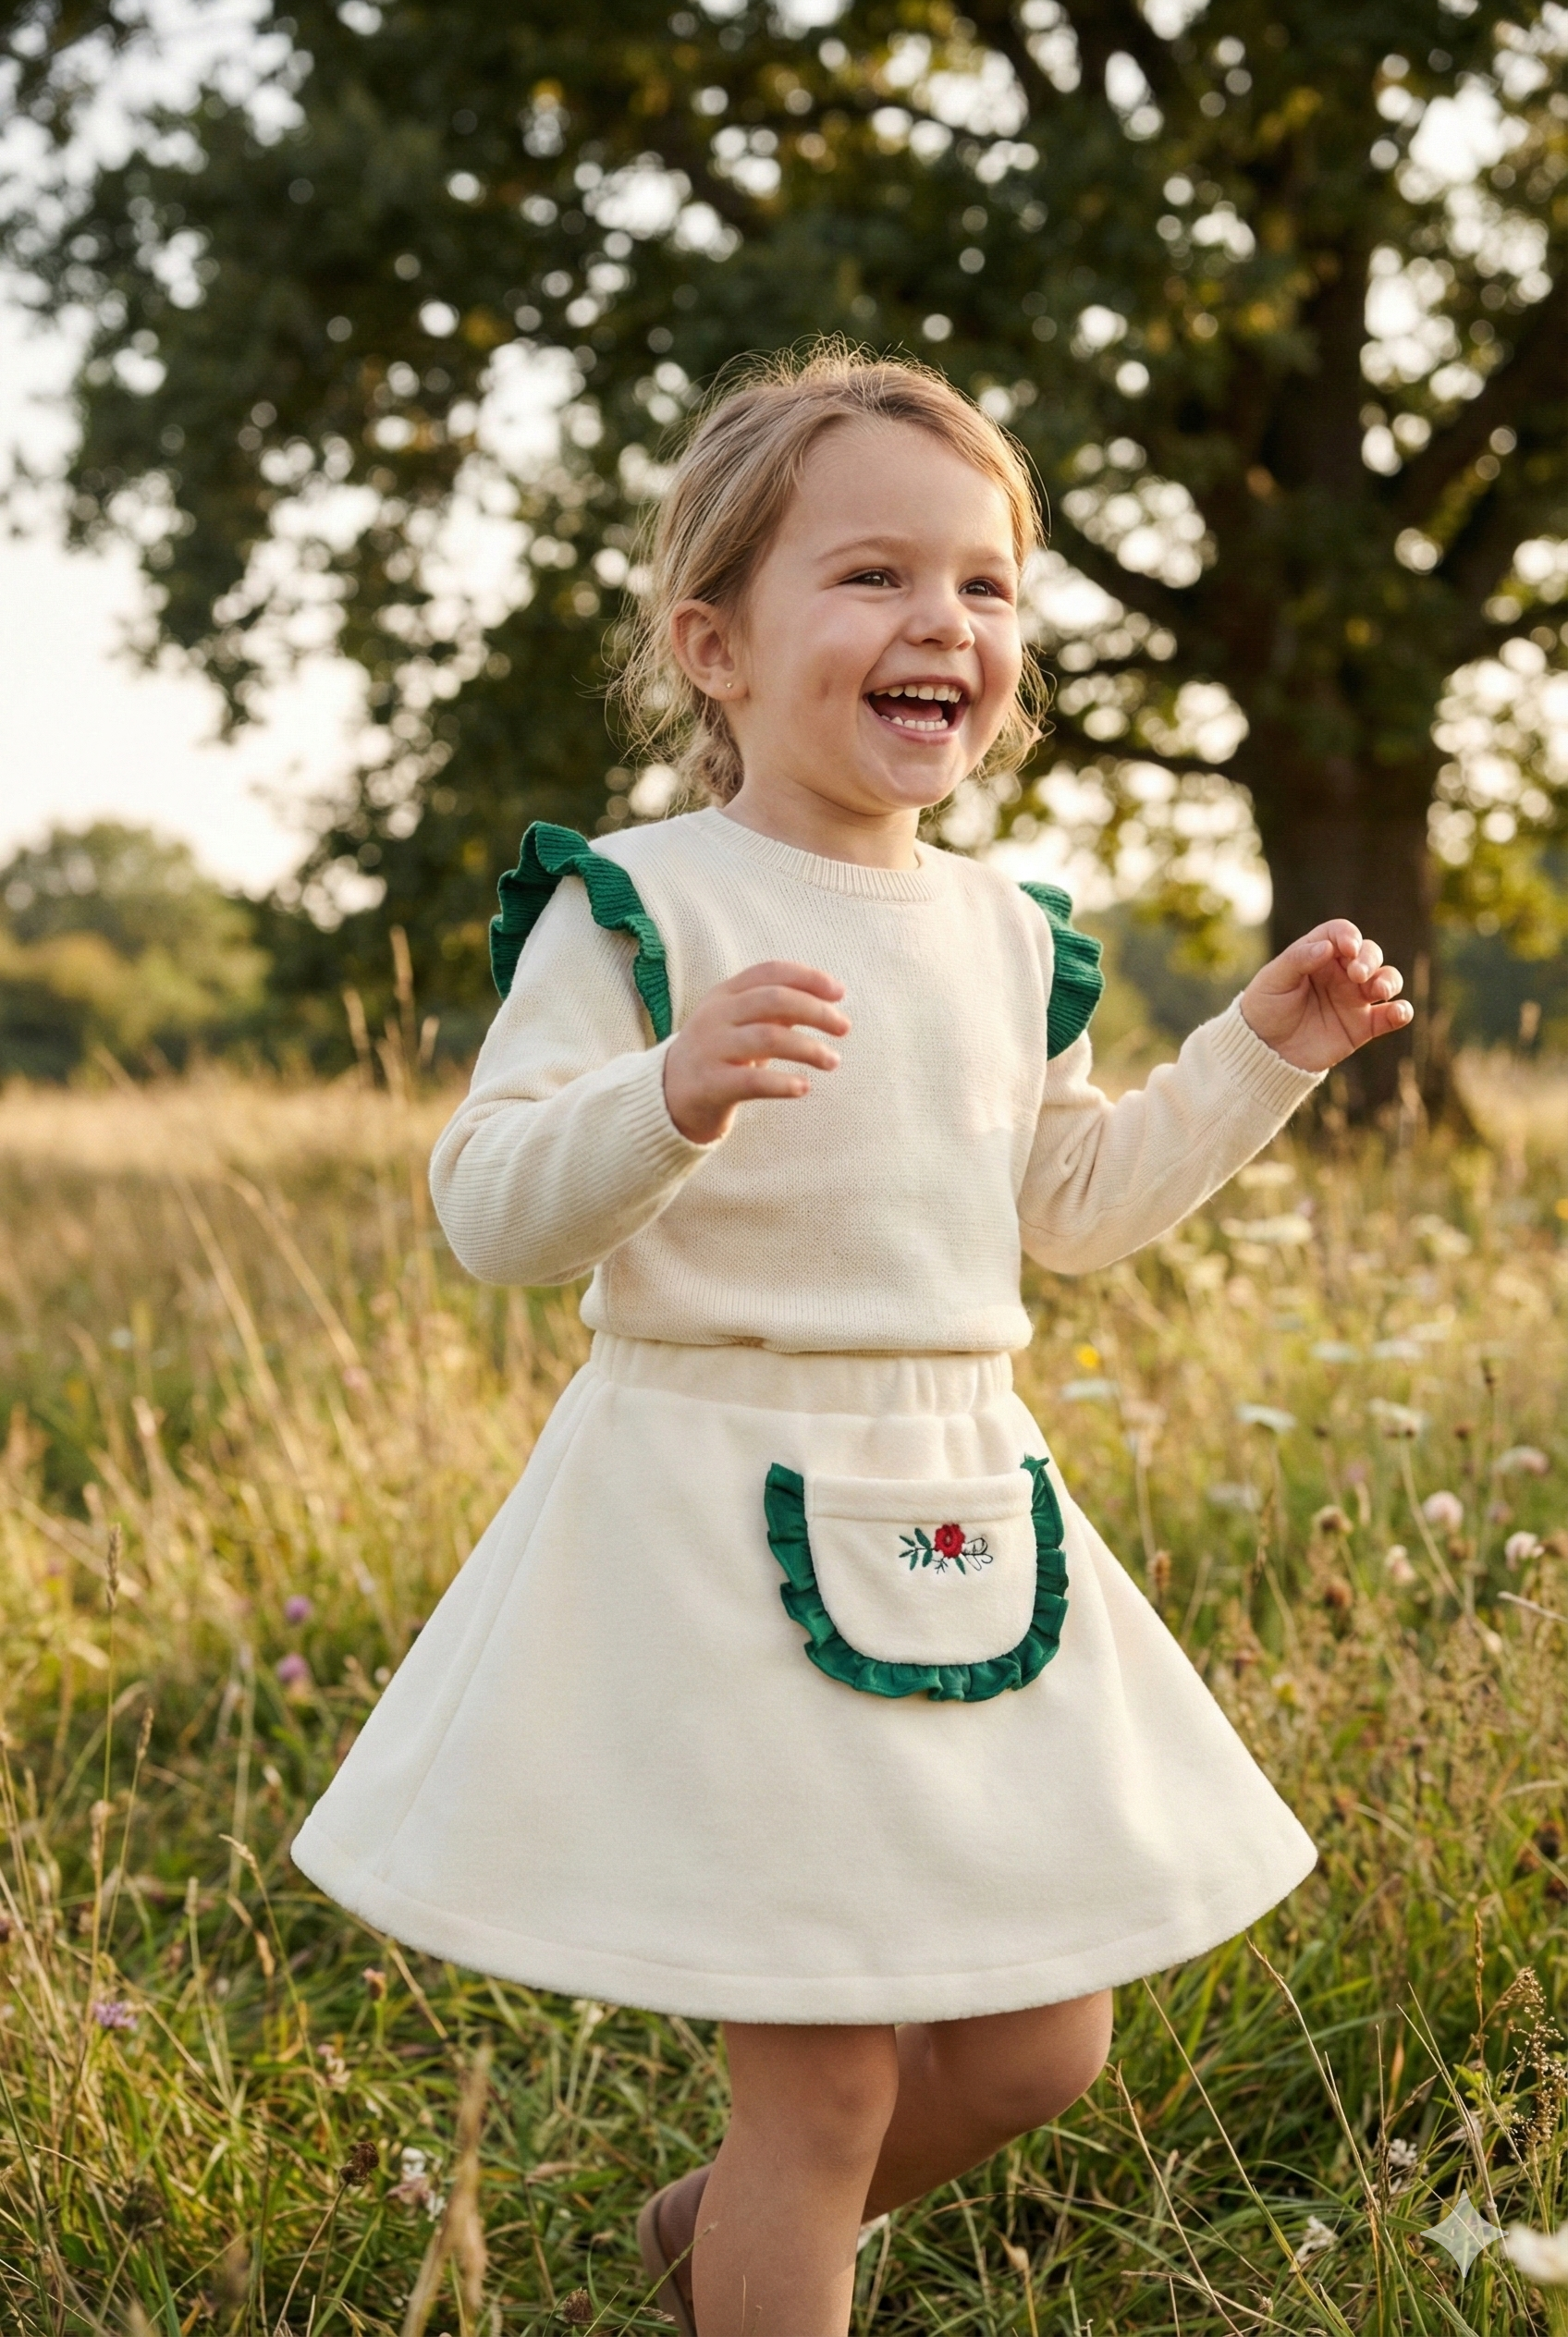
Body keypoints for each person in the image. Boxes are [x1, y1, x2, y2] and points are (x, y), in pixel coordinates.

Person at [291, 344, 1413, 2335]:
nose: (942, 626)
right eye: (874, 575)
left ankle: (707, 2231)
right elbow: (486, 1204)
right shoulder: (638, 904)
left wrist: (1253, 1056)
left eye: (983, 587)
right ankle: (768, 2234)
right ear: (712, 645)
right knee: (817, 2074)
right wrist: (669, 1094)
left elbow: (1067, 1206)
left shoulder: (1006, 932)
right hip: (712, 1506)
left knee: (1030, 2044)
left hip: (965, 1500)